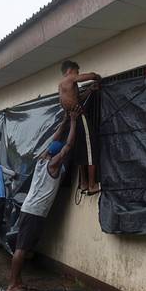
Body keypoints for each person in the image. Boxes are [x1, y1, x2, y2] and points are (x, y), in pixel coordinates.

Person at [7, 105, 80, 291]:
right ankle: (13, 285)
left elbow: (55, 141)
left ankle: (18, 282)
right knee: (21, 249)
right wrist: (73, 121)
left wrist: (63, 121)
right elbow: (68, 146)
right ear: (56, 155)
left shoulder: (41, 160)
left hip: (30, 209)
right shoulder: (54, 164)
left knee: (23, 247)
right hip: (35, 212)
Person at [58, 59, 101, 195]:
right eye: (77, 72)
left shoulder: (62, 86)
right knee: (90, 148)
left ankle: (83, 183)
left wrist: (89, 90)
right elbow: (87, 77)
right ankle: (92, 185)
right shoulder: (70, 78)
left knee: (80, 150)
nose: (77, 74)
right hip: (79, 117)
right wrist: (96, 76)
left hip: (72, 121)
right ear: (70, 71)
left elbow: (77, 99)